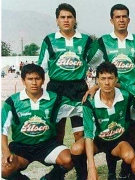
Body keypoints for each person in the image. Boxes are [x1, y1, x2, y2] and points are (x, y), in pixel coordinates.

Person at [85, 4, 135, 180]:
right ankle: (111, 171)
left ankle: (128, 170)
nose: (121, 20)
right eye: (117, 17)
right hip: (110, 93)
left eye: (124, 16)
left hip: (131, 96)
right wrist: (95, 85)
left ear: (129, 19)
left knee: (131, 134)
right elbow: (92, 63)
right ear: (111, 20)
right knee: (110, 130)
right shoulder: (103, 41)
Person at [37, 3, 94, 180]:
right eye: (62, 17)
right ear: (57, 20)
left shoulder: (86, 41)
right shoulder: (49, 40)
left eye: (69, 17)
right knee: (58, 134)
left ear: (75, 19)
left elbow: (100, 65)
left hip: (78, 90)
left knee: (80, 134)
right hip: (56, 90)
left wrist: (95, 86)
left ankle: (82, 173)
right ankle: (58, 172)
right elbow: (40, 68)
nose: (66, 20)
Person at [1, 64, 73, 180]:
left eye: (37, 79)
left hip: (47, 145)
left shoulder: (56, 99)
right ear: (23, 81)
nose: (34, 83)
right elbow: (3, 130)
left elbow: (80, 107)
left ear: (43, 80)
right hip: (21, 147)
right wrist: (5, 152)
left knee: (68, 160)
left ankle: (50, 178)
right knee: (4, 170)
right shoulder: (12, 102)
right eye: (30, 79)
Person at [71, 62, 135, 180]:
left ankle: (122, 173)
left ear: (116, 79)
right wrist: (92, 167)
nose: (107, 82)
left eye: (110, 78)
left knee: (130, 156)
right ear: (97, 80)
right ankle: (83, 176)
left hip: (118, 141)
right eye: (103, 79)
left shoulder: (127, 97)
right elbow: (89, 134)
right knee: (76, 148)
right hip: (98, 141)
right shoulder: (89, 102)